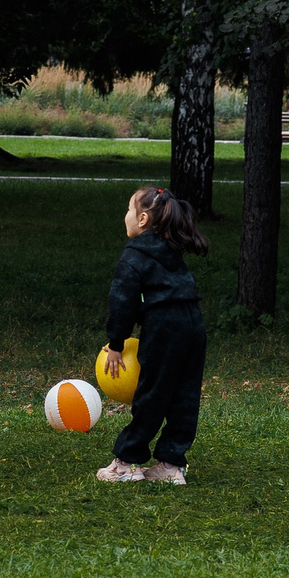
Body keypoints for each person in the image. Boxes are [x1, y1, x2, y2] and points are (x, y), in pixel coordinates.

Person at [96, 188, 210, 486]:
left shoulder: (134, 255)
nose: (126, 215)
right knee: (184, 397)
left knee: (152, 395)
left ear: (143, 219)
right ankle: (171, 465)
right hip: (193, 325)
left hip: (165, 329)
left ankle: (126, 463)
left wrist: (116, 344)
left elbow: (122, 302)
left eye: (129, 209)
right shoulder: (171, 250)